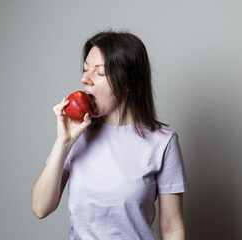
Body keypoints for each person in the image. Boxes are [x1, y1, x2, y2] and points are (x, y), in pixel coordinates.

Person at [32, 30, 189, 240]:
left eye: (99, 73)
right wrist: (64, 143)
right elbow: (41, 208)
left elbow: (172, 228)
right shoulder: (76, 136)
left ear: (126, 82)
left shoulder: (163, 142)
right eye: (85, 69)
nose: (84, 79)